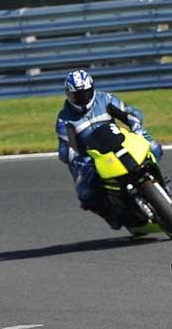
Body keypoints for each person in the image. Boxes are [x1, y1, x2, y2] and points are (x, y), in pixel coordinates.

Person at [55, 69, 164, 229]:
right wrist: (75, 157)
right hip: (92, 157)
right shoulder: (65, 119)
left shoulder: (105, 99)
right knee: (85, 192)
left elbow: (129, 112)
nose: (82, 99)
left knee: (154, 147)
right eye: (77, 96)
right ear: (68, 95)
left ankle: (159, 181)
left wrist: (135, 124)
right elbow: (65, 147)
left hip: (119, 141)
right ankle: (112, 214)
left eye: (85, 93)